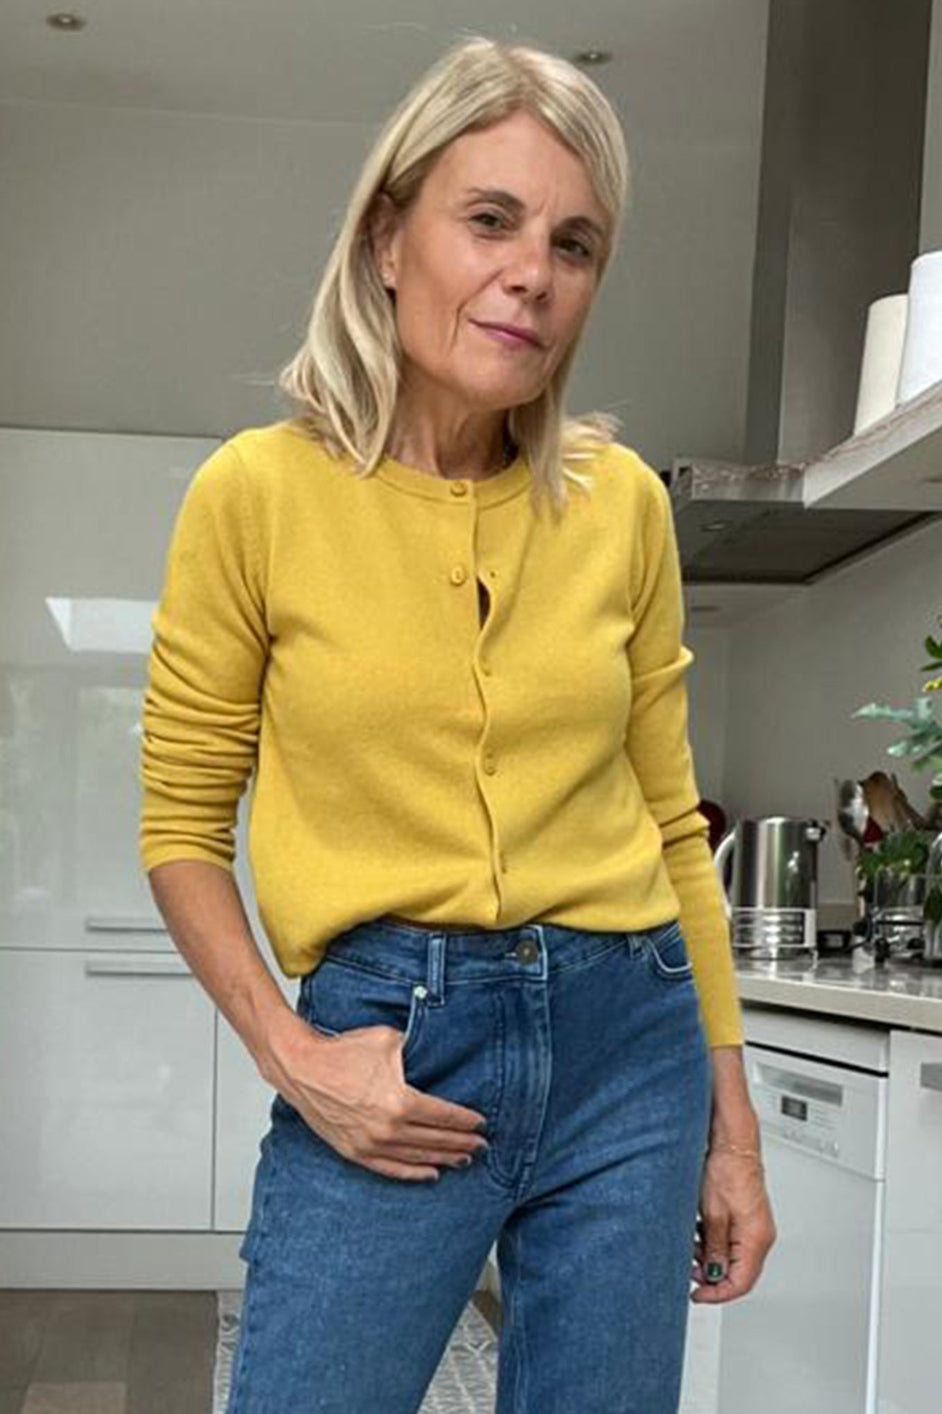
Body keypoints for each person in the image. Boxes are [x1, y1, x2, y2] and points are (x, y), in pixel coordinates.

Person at [139, 33, 776, 1414]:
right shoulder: (256, 496)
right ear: (387, 238)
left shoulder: (623, 507)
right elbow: (181, 828)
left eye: (573, 243)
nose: (532, 272)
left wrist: (732, 1130)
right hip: (392, 1045)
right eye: (490, 219)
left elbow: (673, 828)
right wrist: (292, 1052)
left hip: (630, 1049)